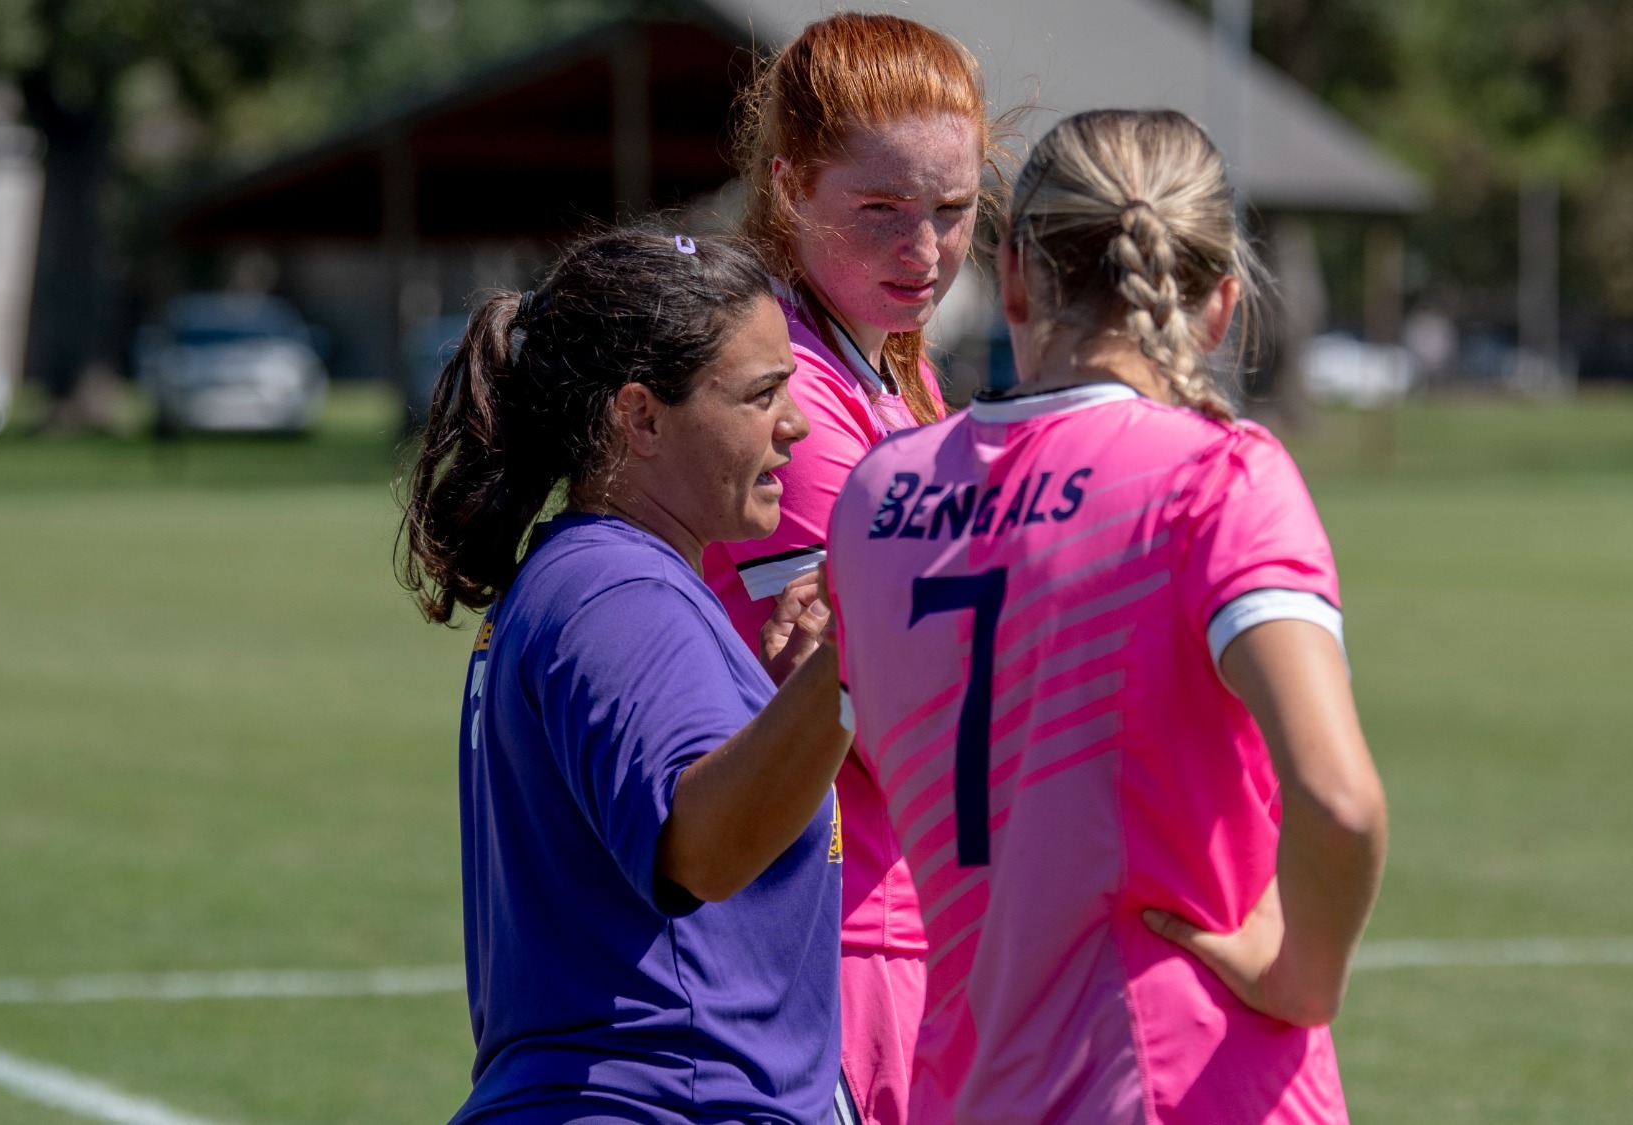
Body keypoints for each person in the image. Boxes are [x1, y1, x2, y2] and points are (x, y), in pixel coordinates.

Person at [826, 110, 1389, 1124]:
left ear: (1011, 280)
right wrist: (1304, 980)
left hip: (965, 1086)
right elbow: (1339, 800)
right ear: (1220, 305)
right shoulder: (1218, 480)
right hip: (1190, 1081)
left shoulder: (875, 500)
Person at [399, 229, 852, 1125]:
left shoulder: (596, 576)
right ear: (640, 417)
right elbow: (703, 848)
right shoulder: (618, 589)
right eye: (762, 395)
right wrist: (856, 657)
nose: (794, 423)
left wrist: (804, 691)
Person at [703, 14, 1005, 1124]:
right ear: (788, 188)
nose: (922, 251)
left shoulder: (887, 376)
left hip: (889, 918)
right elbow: (900, 721)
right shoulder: (793, 396)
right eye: (880, 210)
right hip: (842, 935)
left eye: (953, 210)